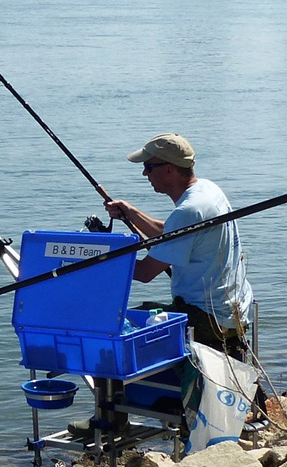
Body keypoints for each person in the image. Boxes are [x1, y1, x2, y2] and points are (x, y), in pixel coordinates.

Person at [103, 132, 255, 357]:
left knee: (112, 326)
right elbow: (171, 234)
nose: (145, 173)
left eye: (148, 166)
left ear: (169, 169)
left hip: (208, 319)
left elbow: (145, 272)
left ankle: (118, 389)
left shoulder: (188, 211)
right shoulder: (207, 190)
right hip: (234, 312)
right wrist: (131, 213)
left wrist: (96, 262)